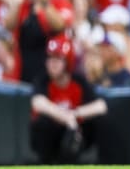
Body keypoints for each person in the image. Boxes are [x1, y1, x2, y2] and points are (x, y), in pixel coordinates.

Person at [30, 36, 107, 164]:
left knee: (101, 121)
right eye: (50, 59)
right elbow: (37, 103)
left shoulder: (78, 81)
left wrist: (75, 114)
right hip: (51, 136)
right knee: (41, 123)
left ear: (68, 62)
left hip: (77, 134)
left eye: (58, 59)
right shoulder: (42, 80)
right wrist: (65, 117)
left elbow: (101, 106)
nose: (52, 64)